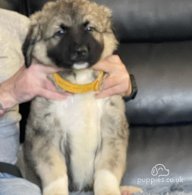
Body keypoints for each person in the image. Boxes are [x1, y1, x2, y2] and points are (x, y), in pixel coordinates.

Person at [0, 8, 134, 195]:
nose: (79, 47)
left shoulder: (17, 24)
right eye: (60, 32)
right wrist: (10, 92)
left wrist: (128, 84)